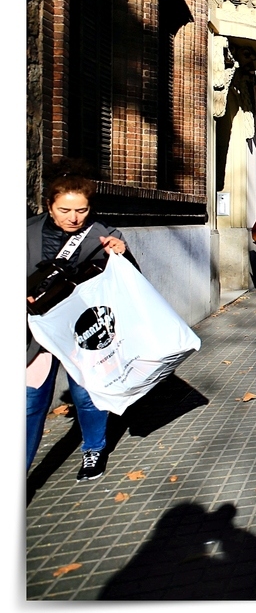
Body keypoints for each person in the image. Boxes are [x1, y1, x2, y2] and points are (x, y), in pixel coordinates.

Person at [27, 164, 135, 481]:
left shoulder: (103, 235)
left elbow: (129, 283)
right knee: (31, 402)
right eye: (65, 210)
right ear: (49, 206)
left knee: (86, 397)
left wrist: (122, 256)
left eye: (81, 210)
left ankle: (94, 448)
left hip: (85, 331)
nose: (74, 218)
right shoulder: (23, 232)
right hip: (37, 331)